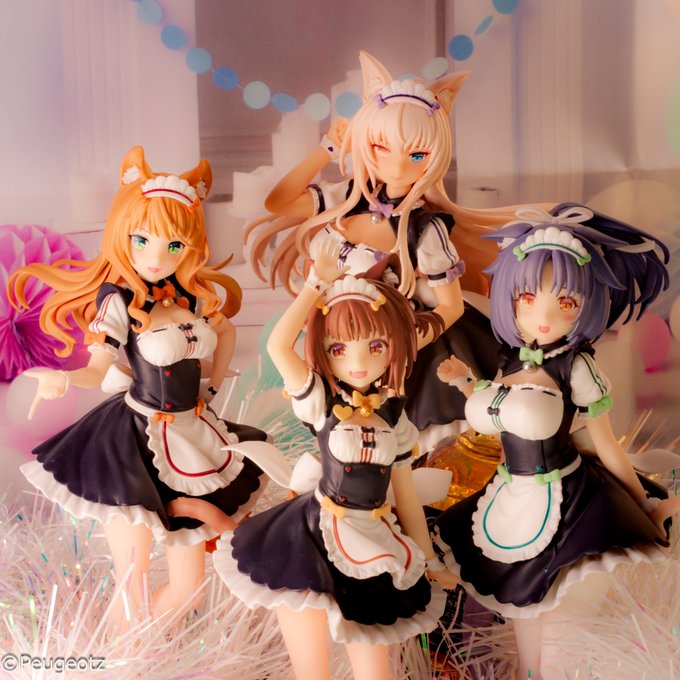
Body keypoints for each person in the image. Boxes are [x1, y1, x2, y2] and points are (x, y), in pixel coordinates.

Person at [7, 146, 285, 628]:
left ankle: (138, 648)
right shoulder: (117, 300)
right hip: (131, 443)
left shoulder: (193, 297)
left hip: (192, 434)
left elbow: (224, 333)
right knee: (131, 579)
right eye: (142, 240)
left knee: (188, 587)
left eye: (173, 246)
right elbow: (97, 367)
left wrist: (213, 388)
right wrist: (62, 377)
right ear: (123, 235)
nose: (156, 258)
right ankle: (122, 649)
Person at [245, 50, 540, 455]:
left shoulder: (425, 230)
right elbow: (276, 202)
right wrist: (327, 150)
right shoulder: (345, 197)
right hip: (333, 340)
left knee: (393, 446)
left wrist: (404, 343)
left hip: (386, 350)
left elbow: (450, 307)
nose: (398, 167)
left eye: (416, 155)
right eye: (382, 147)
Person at [434, 204, 677, 679]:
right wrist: (465, 383)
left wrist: (641, 498)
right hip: (509, 496)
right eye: (527, 297)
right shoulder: (510, 362)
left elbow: (605, 443)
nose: (543, 316)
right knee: (524, 615)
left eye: (565, 302)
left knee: (560, 630)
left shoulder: (577, 367)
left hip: (569, 502)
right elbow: (497, 412)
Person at [207, 243, 451, 680]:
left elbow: (406, 495)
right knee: (311, 668)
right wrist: (314, 285)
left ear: (395, 345)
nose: (357, 363)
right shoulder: (320, 399)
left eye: (375, 346)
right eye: (339, 348)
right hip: (310, 535)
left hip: (375, 535)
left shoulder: (394, 415)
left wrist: (429, 560)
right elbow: (280, 347)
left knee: (375, 666)